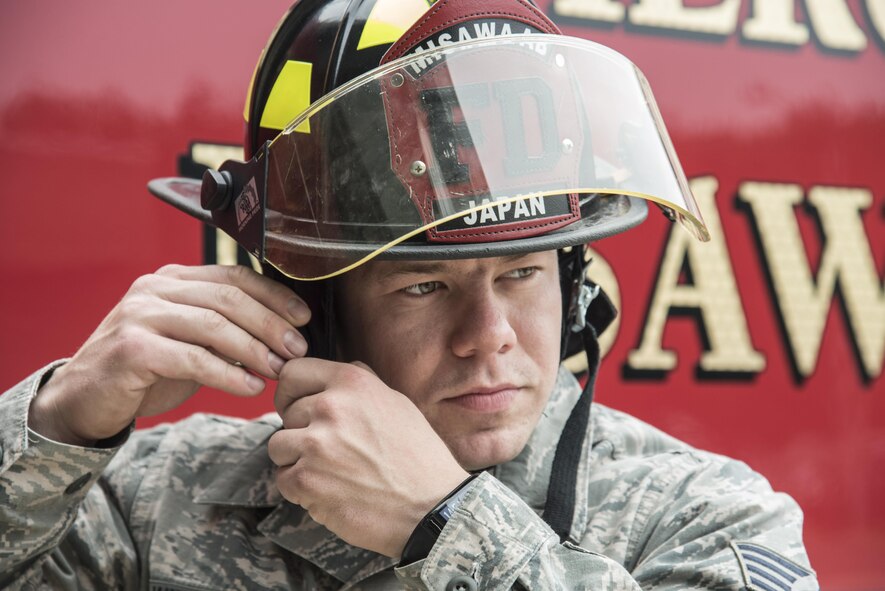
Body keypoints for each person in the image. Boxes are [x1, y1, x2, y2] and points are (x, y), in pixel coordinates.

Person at [0, 0, 818, 589]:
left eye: (522, 272)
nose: (488, 334)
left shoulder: (705, 514)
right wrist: (60, 421)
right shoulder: (157, 498)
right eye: (424, 284)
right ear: (314, 306)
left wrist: (443, 524)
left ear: (571, 284)